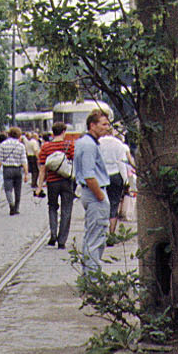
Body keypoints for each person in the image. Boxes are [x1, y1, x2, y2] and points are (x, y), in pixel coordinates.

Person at [73, 110, 111, 275]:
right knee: (96, 238)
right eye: (103, 124)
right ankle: (93, 279)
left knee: (92, 236)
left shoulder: (84, 142)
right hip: (95, 194)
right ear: (92, 125)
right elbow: (89, 176)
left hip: (91, 194)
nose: (107, 128)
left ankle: (89, 275)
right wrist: (101, 197)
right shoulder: (89, 145)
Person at [37, 122, 75, 249]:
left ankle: (53, 234)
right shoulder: (69, 145)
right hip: (66, 181)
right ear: (64, 131)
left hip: (52, 182)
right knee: (66, 209)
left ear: (53, 132)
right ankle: (62, 240)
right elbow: (75, 163)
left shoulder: (45, 147)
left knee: (52, 207)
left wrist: (39, 187)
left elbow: (42, 169)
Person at [99, 128, 132, 235]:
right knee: (114, 204)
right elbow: (121, 163)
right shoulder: (119, 144)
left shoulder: (98, 143)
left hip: (101, 176)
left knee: (101, 203)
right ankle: (111, 233)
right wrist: (125, 180)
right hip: (115, 175)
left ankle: (101, 232)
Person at [0, 127, 28, 215]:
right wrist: (26, 173)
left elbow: (0, 160)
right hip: (18, 169)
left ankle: (11, 204)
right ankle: (17, 208)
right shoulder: (21, 146)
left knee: (8, 189)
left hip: (7, 169)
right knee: (18, 190)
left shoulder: (3, 144)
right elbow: (24, 160)